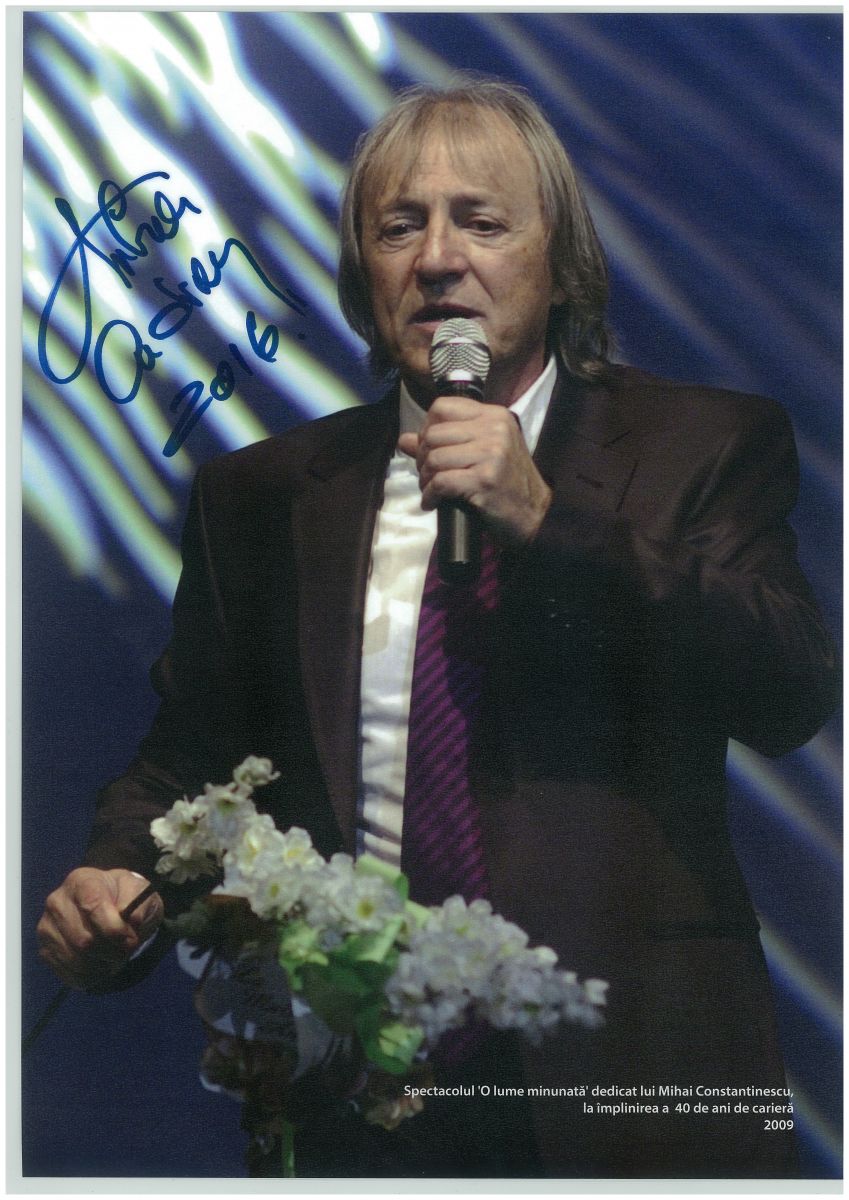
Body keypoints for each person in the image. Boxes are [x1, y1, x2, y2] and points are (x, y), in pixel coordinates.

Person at [36, 79, 838, 1178]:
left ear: (560, 265)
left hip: (626, 1085)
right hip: (362, 1099)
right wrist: (115, 876)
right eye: (399, 227)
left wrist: (549, 525)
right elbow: (194, 757)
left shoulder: (699, 446)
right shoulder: (265, 495)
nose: (438, 260)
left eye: (483, 222)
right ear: (363, 276)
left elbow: (788, 692)